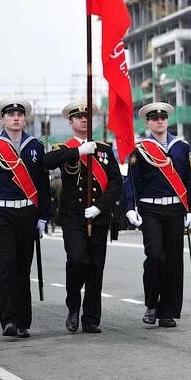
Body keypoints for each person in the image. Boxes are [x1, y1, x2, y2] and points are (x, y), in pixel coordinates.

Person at [0, 98, 51, 338]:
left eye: (20, 114)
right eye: (11, 114)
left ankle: (23, 321)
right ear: (2, 119)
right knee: (8, 264)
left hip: (27, 212)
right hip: (0, 213)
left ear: (25, 118)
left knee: (23, 267)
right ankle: (9, 320)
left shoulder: (35, 145)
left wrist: (43, 216)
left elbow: (43, 184)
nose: (16, 118)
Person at [44, 100, 123, 333]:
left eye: (87, 117)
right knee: (77, 259)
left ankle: (91, 318)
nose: (83, 120)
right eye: (78, 117)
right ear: (70, 122)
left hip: (97, 216)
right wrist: (79, 151)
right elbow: (47, 163)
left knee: (96, 268)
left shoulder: (104, 150)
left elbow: (116, 184)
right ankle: (73, 306)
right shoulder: (64, 149)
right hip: (73, 217)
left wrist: (100, 207)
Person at [125, 102, 191, 328]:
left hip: (175, 208)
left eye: (163, 117)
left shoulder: (181, 148)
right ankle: (151, 304)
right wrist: (130, 207)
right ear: (147, 123)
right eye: (154, 118)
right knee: (155, 256)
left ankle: (168, 311)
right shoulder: (140, 149)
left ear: (168, 120)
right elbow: (131, 181)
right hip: (150, 209)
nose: (159, 121)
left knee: (174, 260)